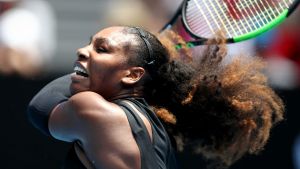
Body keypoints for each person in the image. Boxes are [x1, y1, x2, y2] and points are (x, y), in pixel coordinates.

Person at [27, 26, 284, 169]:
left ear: (133, 74)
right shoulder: (156, 130)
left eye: (101, 49)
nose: (81, 51)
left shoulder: (94, 112)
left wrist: (82, 73)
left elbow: (40, 107)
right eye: (89, 43)